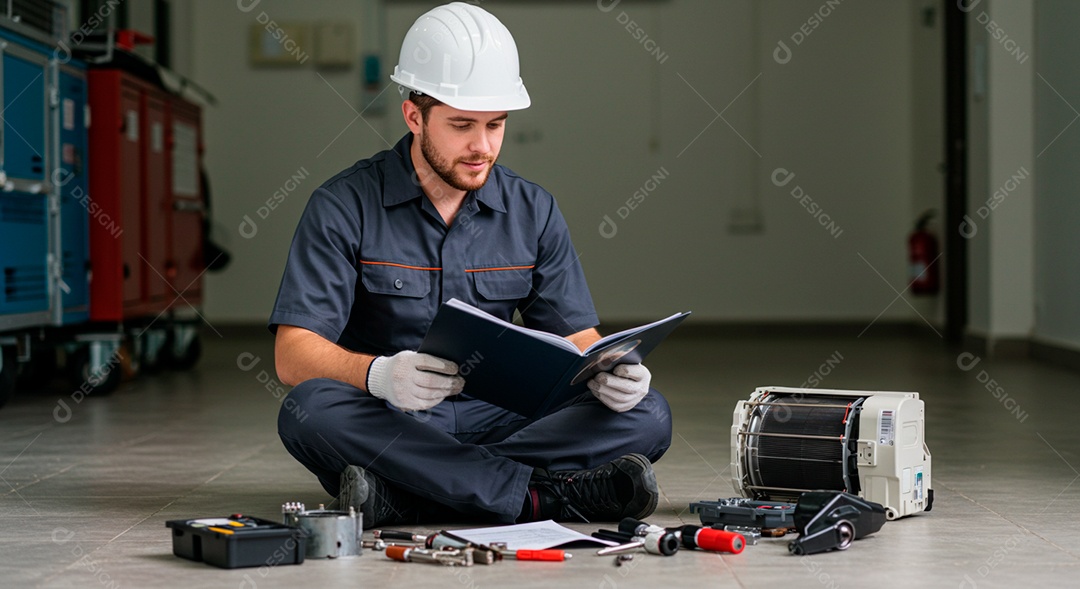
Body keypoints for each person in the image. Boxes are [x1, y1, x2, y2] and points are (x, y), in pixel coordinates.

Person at [272, 2, 672, 529]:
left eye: (495, 125)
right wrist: (379, 375)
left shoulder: (533, 210)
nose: (482, 146)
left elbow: (578, 338)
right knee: (308, 409)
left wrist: (612, 372)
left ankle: (409, 499)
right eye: (462, 125)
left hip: (501, 421)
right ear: (414, 115)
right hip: (394, 422)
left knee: (650, 415)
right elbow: (291, 355)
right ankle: (547, 499)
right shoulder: (343, 205)